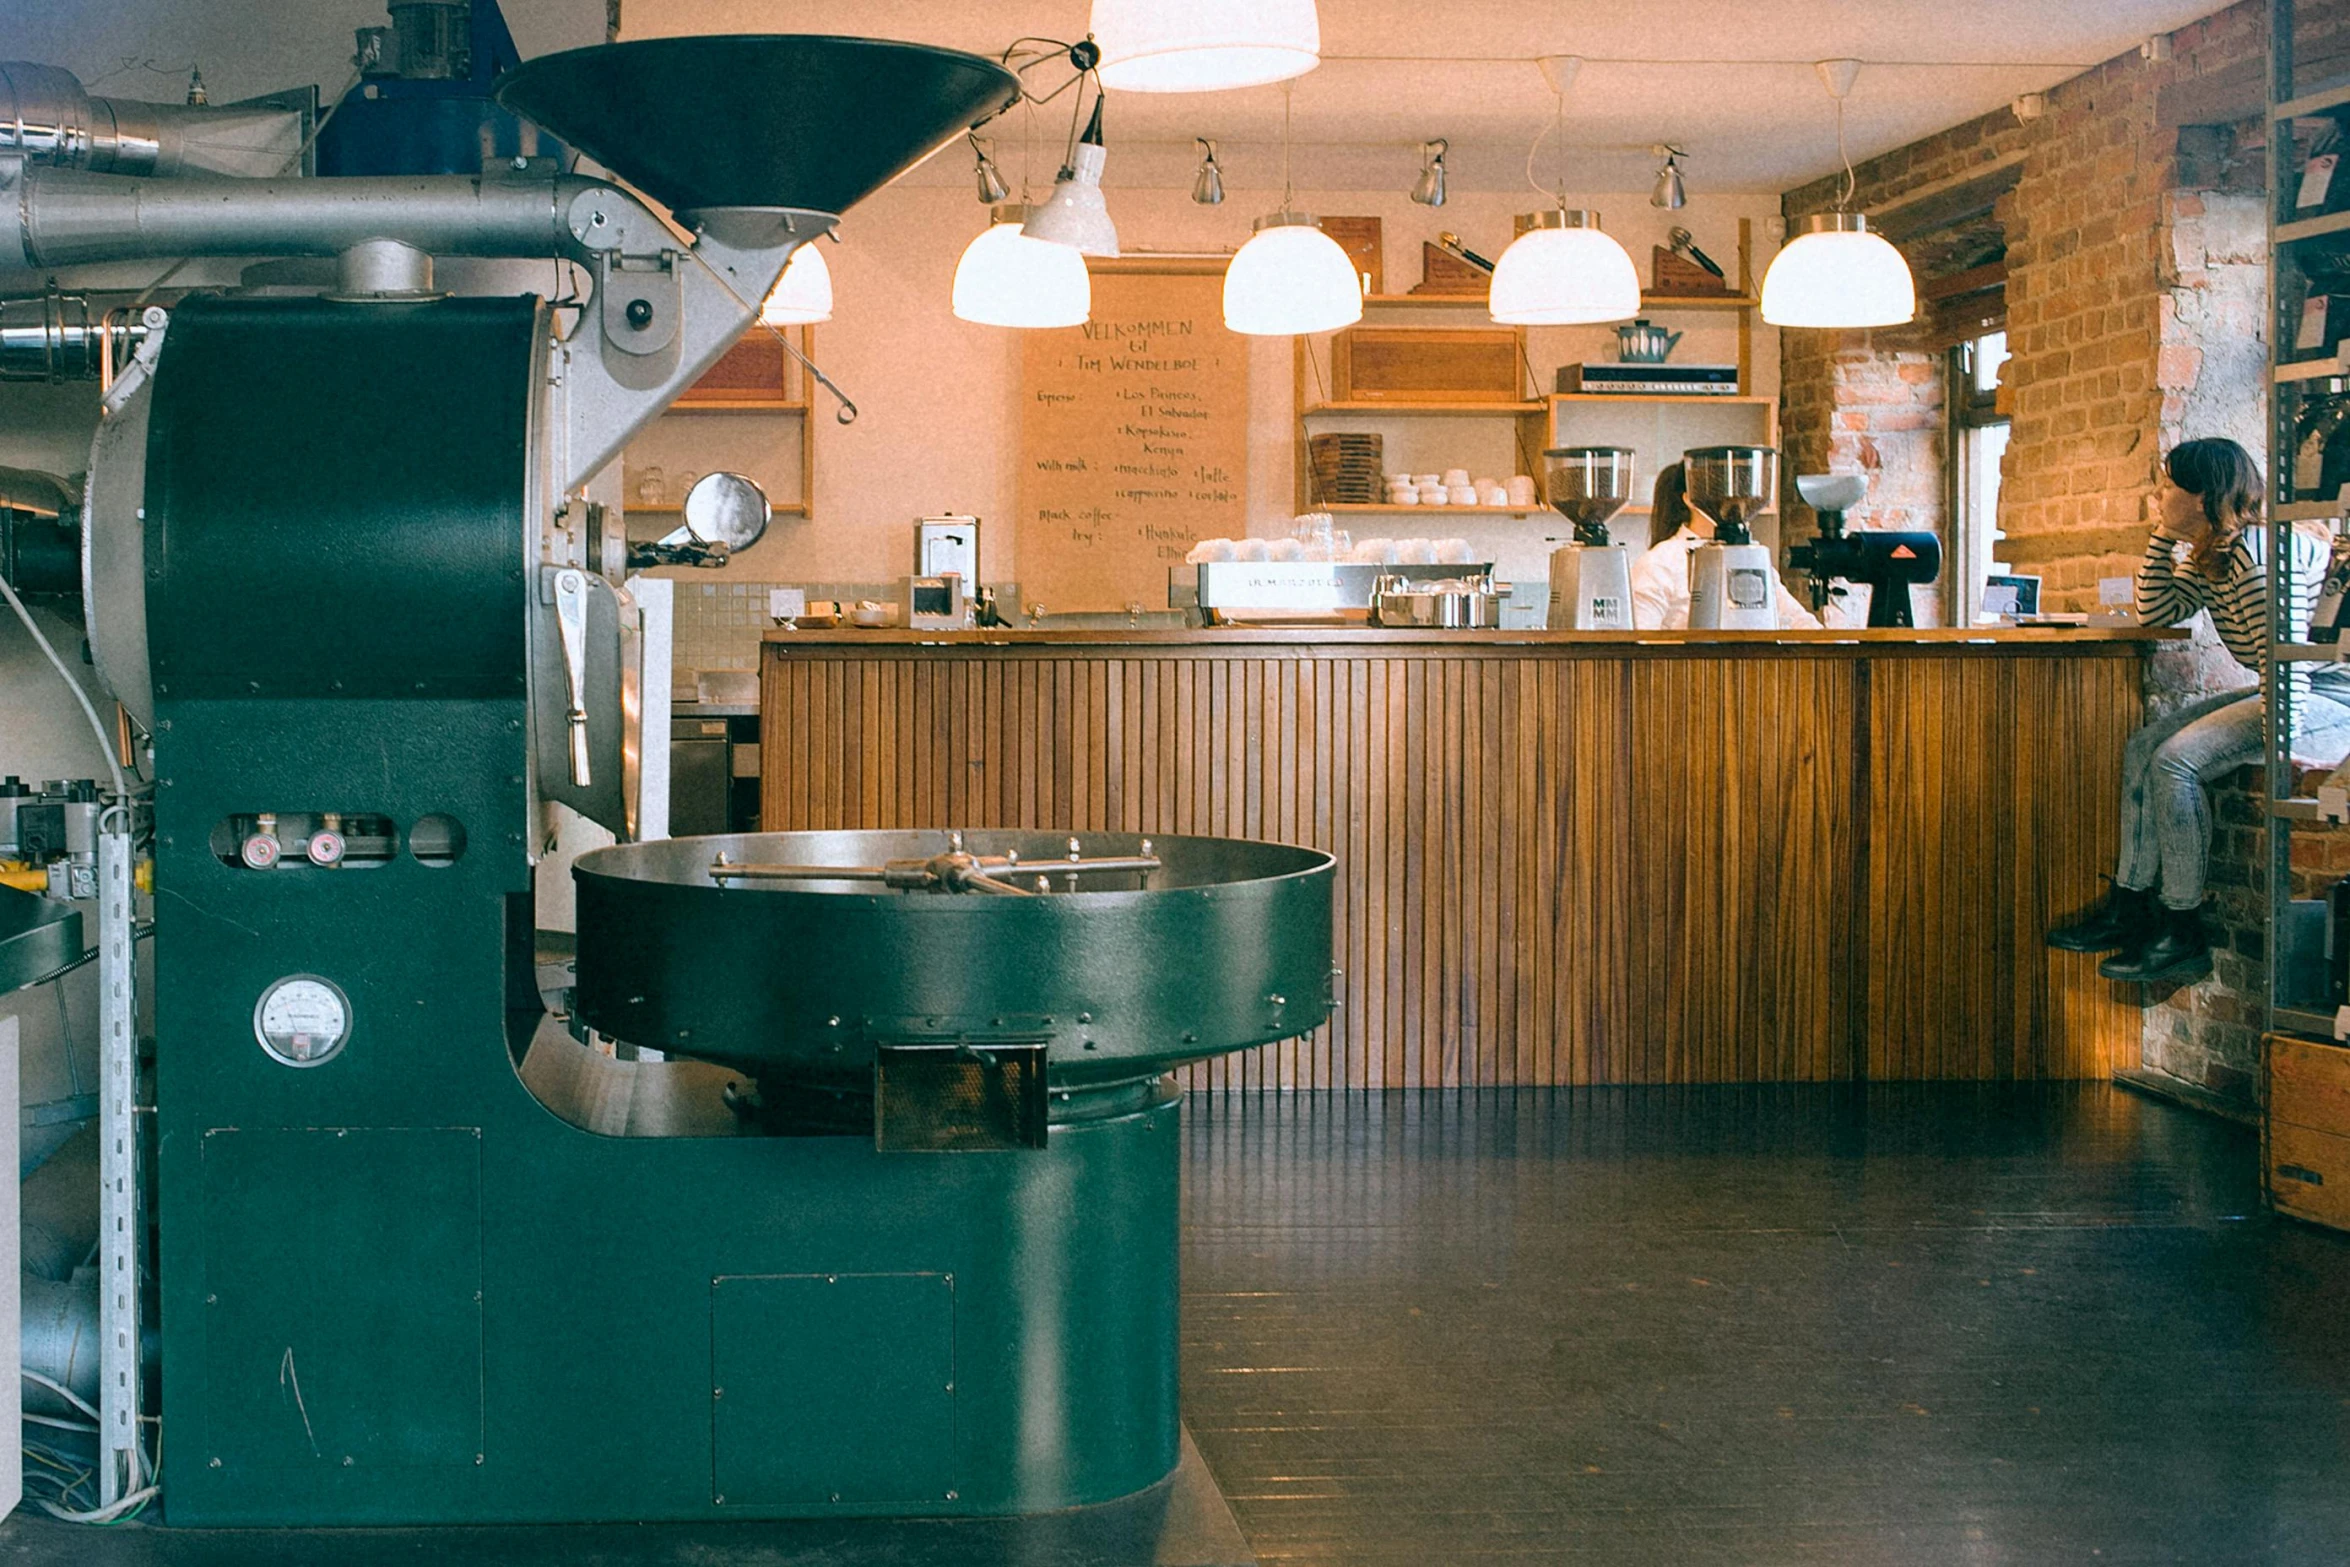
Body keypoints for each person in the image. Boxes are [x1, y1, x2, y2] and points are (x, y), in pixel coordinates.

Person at [2049, 437, 2350, 983]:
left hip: (2330, 695)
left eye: (2168, 486)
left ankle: (2181, 926)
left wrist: (2268, 744)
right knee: (2145, 745)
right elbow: (2156, 610)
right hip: (2287, 683)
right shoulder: (2218, 552)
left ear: (2204, 496)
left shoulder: (2257, 562)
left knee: (2175, 760)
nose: (2158, 494)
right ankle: (2130, 905)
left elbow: (2290, 677)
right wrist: (2163, 536)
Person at [1629, 462, 1823, 630]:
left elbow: (1799, 620)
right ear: (1690, 499)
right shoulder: (1660, 562)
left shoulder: (1752, 558)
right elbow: (1642, 640)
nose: (1735, 501)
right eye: (1720, 490)